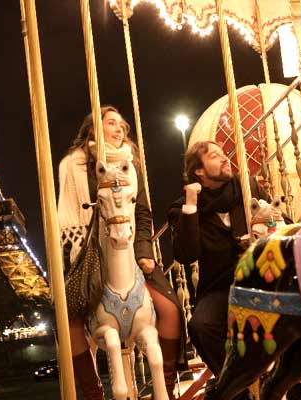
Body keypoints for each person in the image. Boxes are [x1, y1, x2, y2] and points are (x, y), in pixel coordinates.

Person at [58, 106, 184, 399]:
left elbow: (142, 213)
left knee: (170, 309)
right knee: (70, 319)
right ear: (94, 129)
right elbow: (69, 214)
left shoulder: (131, 166)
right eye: (112, 123)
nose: (119, 130)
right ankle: (93, 393)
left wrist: (144, 251)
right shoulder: (75, 166)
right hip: (89, 254)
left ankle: (166, 385)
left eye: (122, 126)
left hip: (129, 249)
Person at [168, 140, 270, 398]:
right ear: (199, 171)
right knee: (200, 326)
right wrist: (191, 204)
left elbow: (277, 219)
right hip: (221, 285)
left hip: (259, 277)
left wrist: (259, 235)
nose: (225, 158)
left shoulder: (246, 187)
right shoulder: (183, 207)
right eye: (215, 156)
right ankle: (237, 388)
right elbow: (186, 254)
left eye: (224, 154)